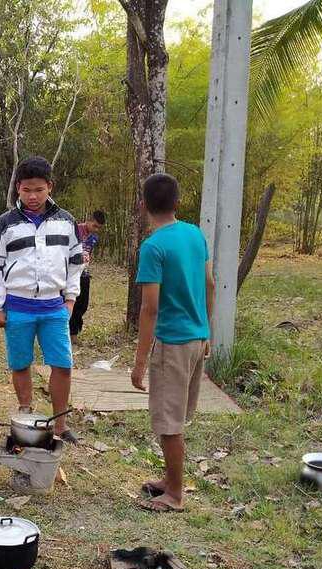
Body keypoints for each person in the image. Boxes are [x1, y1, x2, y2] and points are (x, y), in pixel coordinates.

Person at [0, 156, 83, 441]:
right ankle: (26, 416)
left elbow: (75, 263)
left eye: (39, 189)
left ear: (50, 187)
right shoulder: (4, 224)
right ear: (18, 187)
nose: (33, 196)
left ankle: (60, 425)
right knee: (20, 363)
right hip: (18, 307)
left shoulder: (66, 222)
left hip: (54, 307)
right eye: (27, 190)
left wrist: (70, 300)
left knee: (62, 365)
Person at [131, 173, 214, 513]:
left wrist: (139, 362)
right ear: (177, 203)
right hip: (197, 337)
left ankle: (175, 494)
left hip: (172, 343)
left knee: (169, 423)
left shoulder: (153, 247)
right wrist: (207, 331)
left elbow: (150, 308)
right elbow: (210, 284)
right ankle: (170, 480)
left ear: (143, 206)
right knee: (176, 417)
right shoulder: (194, 234)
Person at [69, 210, 105, 339]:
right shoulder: (75, 231)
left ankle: (75, 331)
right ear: (88, 220)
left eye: (99, 228)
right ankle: (71, 334)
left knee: (83, 304)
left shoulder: (94, 237)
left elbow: (89, 253)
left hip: (84, 273)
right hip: (71, 273)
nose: (96, 229)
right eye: (94, 226)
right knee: (72, 302)